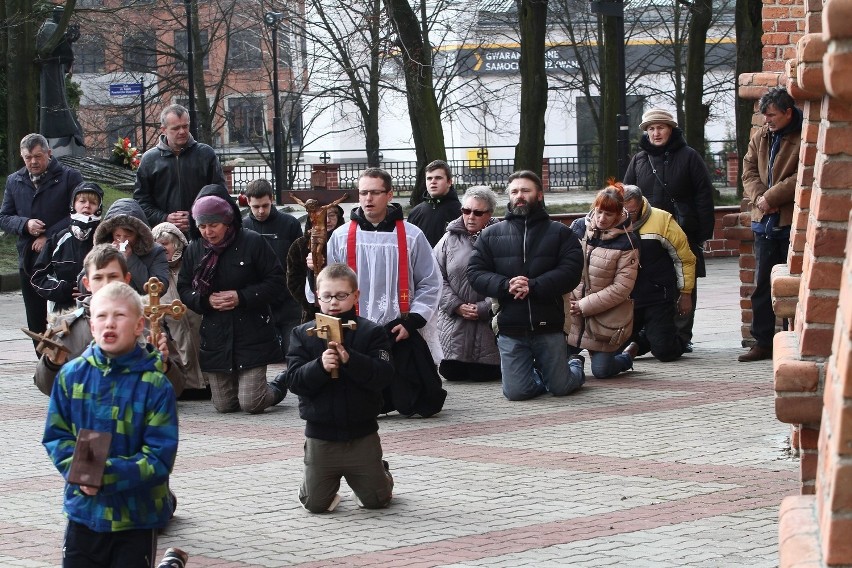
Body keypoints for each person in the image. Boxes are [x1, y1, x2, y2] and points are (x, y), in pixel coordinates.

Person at [42, 281, 178, 568]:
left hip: (135, 517)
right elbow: (56, 436)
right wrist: (82, 474)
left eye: (120, 316)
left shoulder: (154, 385)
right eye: (102, 316)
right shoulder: (71, 376)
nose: (110, 323)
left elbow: (158, 457)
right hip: (84, 512)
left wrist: (104, 476)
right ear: (92, 326)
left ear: (139, 325)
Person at [320, 167, 445, 417]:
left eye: (375, 193)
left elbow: (431, 282)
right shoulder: (341, 237)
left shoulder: (412, 236)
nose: (368, 199)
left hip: (399, 328)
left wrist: (412, 321)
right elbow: (328, 285)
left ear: (389, 195)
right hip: (355, 329)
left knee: (424, 399)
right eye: (363, 192)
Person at [285, 263, 395, 513]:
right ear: (316, 297)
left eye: (341, 295)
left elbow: (384, 375)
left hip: (361, 434)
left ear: (356, 295)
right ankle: (316, 479)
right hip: (321, 435)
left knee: (376, 502)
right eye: (327, 296)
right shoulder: (303, 334)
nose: (333, 302)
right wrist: (319, 366)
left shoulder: (372, 332)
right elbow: (293, 381)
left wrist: (351, 360)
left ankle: (381, 472)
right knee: (315, 505)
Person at [467, 170, 584, 401]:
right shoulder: (490, 235)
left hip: (549, 324)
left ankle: (574, 365)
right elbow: (475, 273)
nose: (519, 195)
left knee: (560, 388)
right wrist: (506, 285)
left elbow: (571, 273)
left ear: (539, 195)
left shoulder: (561, 233)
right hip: (510, 325)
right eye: (514, 191)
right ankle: (540, 375)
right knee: (516, 392)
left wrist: (534, 285)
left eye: (525, 190)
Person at [177, 184, 288, 414]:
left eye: (214, 225)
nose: (208, 232)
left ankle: (279, 385)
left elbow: (276, 280)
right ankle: (246, 386)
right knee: (224, 406)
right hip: (216, 334)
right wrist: (205, 302)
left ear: (227, 223)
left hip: (252, 331)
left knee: (251, 403)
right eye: (203, 226)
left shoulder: (252, 241)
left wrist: (242, 297)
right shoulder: (195, 249)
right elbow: (185, 287)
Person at [34, 244, 186, 397]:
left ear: (126, 279)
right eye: (98, 277)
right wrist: (52, 364)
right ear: (86, 283)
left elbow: (177, 387)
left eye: (113, 276)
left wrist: (165, 365)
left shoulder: (147, 323)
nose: (106, 284)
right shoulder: (65, 328)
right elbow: (47, 387)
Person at [623, 108, 716, 352]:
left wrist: (702, 233)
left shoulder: (689, 157)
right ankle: (652, 331)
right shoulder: (639, 160)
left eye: (661, 128)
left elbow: (704, 196)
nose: (656, 133)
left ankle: (682, 334)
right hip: (648, 236)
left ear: (671, 129)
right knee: (654, 283)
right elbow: (626, 197)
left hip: (683, 231)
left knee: (685, 282)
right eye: (651, 129)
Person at [739, 87, 802, 362]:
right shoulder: (761, 136)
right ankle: (763, 342)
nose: (767, 120)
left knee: (794, 284)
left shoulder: (804, 135)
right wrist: (761, 199)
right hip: (764, 222)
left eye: (772, 115)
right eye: (764, 115)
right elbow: (748, 169)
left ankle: (797, 337)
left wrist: (772, 197)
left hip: (791, 222)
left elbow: (803, 174)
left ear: (788, 113)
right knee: (762, 285)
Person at [0, 133, 83, 343]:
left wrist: (49, 236)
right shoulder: (15, 180)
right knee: (36, 321)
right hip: (30, 260)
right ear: (22, 156)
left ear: (49, 153)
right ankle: (44, 368)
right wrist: (25, 225)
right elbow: (4, 217)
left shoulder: (70, 177)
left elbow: (78, 213)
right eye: (28, 157)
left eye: (38, 156)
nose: (33, 162)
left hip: (63, 259)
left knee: (65, 319)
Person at [565, 183, 639, 378]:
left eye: (608, 214)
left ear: (618, 215)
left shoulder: (628, 242)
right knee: (551, 362)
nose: (601, 219)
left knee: (602, 371)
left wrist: (584, 305)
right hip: (572, 312)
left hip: (604, 318)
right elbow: (563, 264)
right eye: (598, 212)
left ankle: (627, 357)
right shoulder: (578, 227)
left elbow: (622, 287)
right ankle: (575, 363)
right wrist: (569, 299)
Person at [433, 186, 501, 382]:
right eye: (466, 210)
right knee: (452, 373)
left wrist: (484, 308)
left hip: (487, 328)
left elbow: (507, 279)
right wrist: (456, 306)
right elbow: (435, 277)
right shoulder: (448, 239)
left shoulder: (501, 239)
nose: (470, 216)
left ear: (489, 214)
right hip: (454, 326)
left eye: (477, 212)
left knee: (484, 375)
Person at [621, 185, 696, 362]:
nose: (626, 216)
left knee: (664, 351)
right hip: (626, 299)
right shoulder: (608, 219)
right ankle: (646, 339)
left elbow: (685, 259)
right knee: (614, 348)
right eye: (622, 211)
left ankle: (667, 339)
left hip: (657, 297)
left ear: (640, 204)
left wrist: (685, 293)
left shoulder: (662, 220)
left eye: (631, 212)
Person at [133, 104, 225, 232]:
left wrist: (196, 215)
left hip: (202, 232)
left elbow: (219, 194)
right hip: (164, 235)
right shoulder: (149, 159)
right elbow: (141, 201)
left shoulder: (205, 154)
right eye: (176, 128)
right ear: (163, 129)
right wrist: (165, 218)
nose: (182, 131)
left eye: (185, 126)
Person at [242, 179, 302, 354]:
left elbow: (297, 263)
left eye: (265, 205)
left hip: (288, 300)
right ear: (248, 202)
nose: (261, 211)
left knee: (293, 352)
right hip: (257, 300)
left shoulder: (290, 224)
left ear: (272, 199)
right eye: (256, 206)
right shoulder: (243, 227)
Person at [151, 222, 207, 400]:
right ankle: (187, 384)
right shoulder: (155, 275)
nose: (162, 248)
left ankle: (206, 383)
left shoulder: (192, 265)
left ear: (177, 243)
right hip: (175, 333)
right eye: (158, 245)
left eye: (166, 243)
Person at [30, 181, 104, 313]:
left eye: (92, 203)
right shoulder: (57, 239)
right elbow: (37, 278)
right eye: (82, 201)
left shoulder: (105, 240)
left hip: (99, 311)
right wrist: (64, 289)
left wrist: (94, 291)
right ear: (73, 205)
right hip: (63, 313)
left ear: (99, 208)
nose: (87, 206)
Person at [92, 198, 170, 295]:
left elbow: (159, 288)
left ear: (138, 234)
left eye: (128, 236)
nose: (123, 240)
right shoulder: (102, 247)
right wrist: (106, 258)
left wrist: (130, 259)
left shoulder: (156, 251)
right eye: (117, 235)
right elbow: (84, 282)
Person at [287, 203, 345, 324]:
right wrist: (311, 303)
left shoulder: (345, 241)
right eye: (321, 216)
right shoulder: (300, 245)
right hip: (312, 312)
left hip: (344, 308)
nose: (327, 220)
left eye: (332, 215)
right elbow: (294, 280)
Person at [407, 160, 463, 247]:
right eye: (429, 178)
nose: (433, 182)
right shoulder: (415, 212)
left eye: (438, 178)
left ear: (449, 182)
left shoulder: (462, 212)